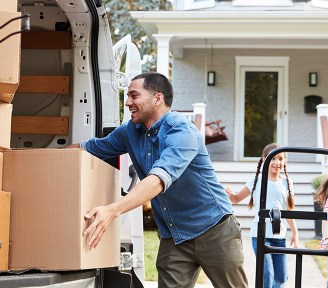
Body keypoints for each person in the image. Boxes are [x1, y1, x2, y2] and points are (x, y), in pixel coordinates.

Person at [67, 72, 248, 288]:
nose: (128, 103)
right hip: (174, 236)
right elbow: (90, 148)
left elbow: (158, 180)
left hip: (214, 229)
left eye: (134, 96)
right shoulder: (130, 132)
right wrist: (41, 157)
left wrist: (112, 210)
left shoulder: (182, 131)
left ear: (157, 98)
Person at [225, 143, 299, 288]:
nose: (277, 162)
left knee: (282, 277)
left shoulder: (287, 183)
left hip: (280, 237)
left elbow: (289, 211)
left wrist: (295, 233)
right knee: (267, 275)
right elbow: (237, 198)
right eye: (273, 159)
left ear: (284, 162)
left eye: (280, 159)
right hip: (260, 235)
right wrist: (229, 194)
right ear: (264, 159)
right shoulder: (256, 180)